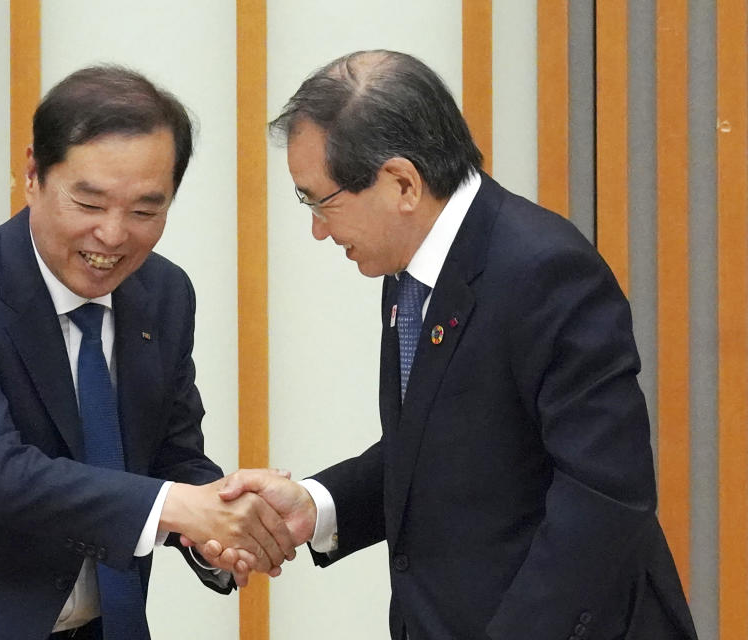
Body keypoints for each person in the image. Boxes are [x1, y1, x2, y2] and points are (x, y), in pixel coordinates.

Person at [205, 50, 699, 639]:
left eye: (322, 201)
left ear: (402, 183)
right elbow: (442, 448)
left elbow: (604, 497)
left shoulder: (544, 269)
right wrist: (318, 505)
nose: (317, 229)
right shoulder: (408, 270)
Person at [0, 65, 294, 640]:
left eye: (145, 210)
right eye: (89, 203)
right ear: (33, 175)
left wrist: (222, 523)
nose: (113, 236)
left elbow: (169, 452)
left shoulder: (164, 294)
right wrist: (181, 508)